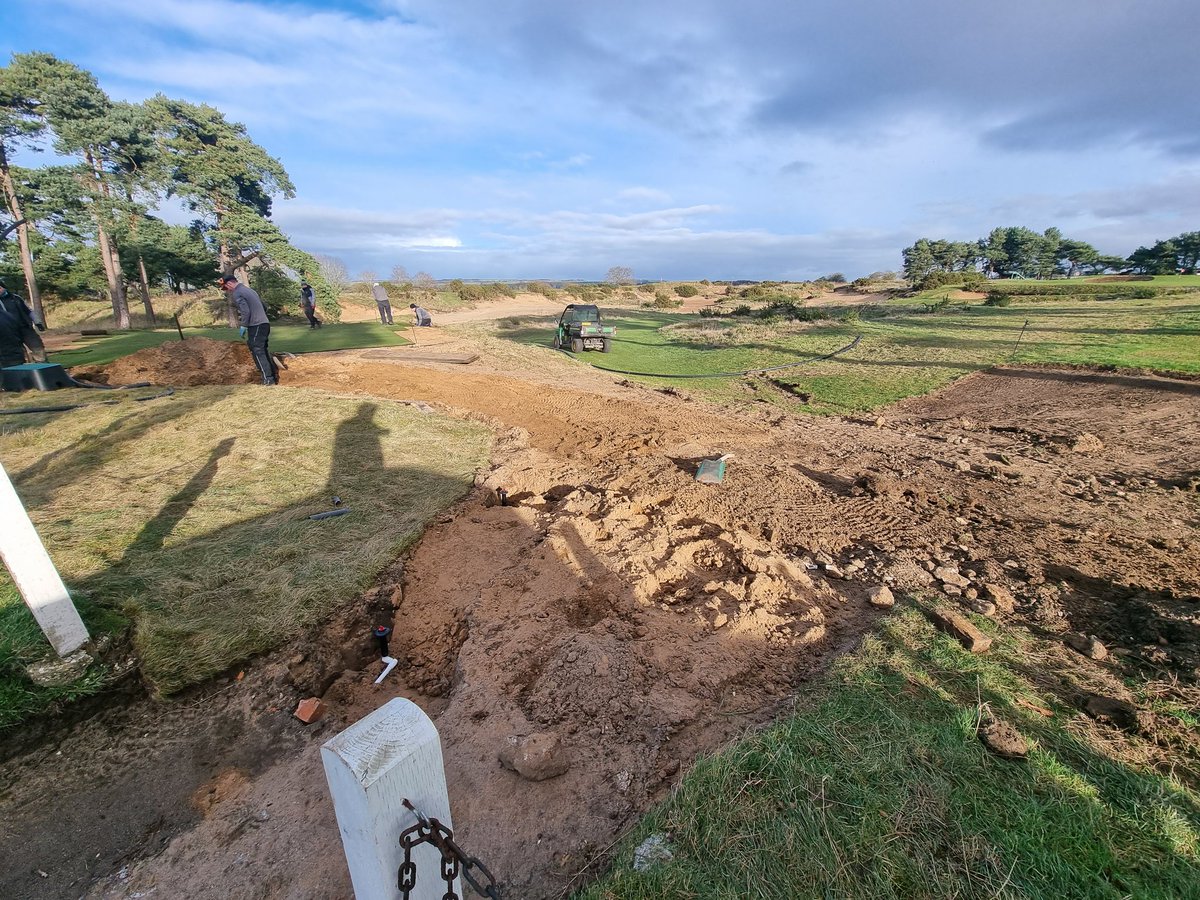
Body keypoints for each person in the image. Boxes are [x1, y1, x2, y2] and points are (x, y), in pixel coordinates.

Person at [219, 274, 277, 385]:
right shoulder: (250, 291)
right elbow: (264, 306)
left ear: (230, 283)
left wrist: (244, 325)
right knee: (263, 350)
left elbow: (245, 311)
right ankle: (271, 376)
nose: (228, 291)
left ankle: (268, 380)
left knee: (257, 351)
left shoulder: (238, 292)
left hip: (256, 325)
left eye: (227, 288)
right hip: (264, 323)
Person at [0, 279, 46, 369]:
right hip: (9, 331)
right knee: (17, 353)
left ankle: (44, 367)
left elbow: (29, 311)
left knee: (38, 348)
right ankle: (22, 372)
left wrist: (38, 322)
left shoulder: (16, 298)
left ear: (3, 287)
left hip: (25, 328)